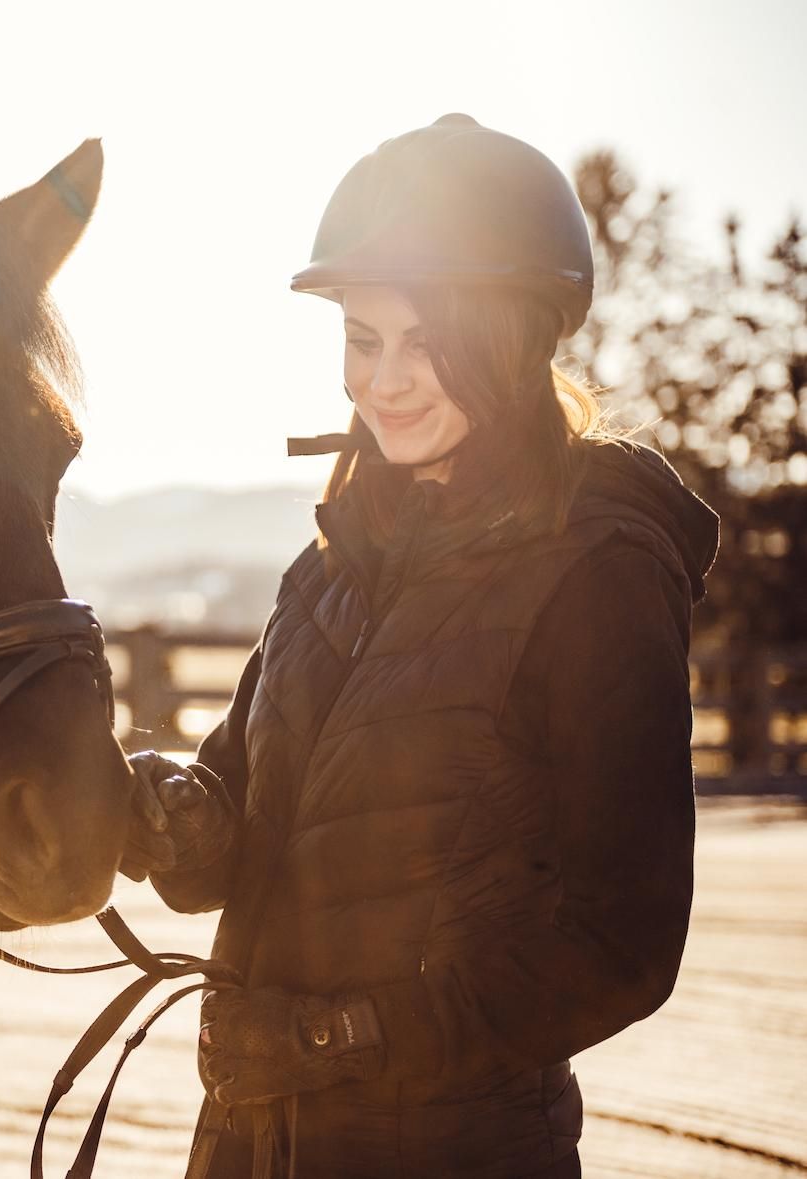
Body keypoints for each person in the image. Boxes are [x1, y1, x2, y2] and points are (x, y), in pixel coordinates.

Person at [123, 114, 720, 1179]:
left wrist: (341, 1037)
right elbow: (234, 823)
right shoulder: (329, 567)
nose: (382, 381)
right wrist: (148, 813)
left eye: (425, 341)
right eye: (362, 339)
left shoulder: (596, 574)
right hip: (249, 1148)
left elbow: (620, 947)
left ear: (512, 338)